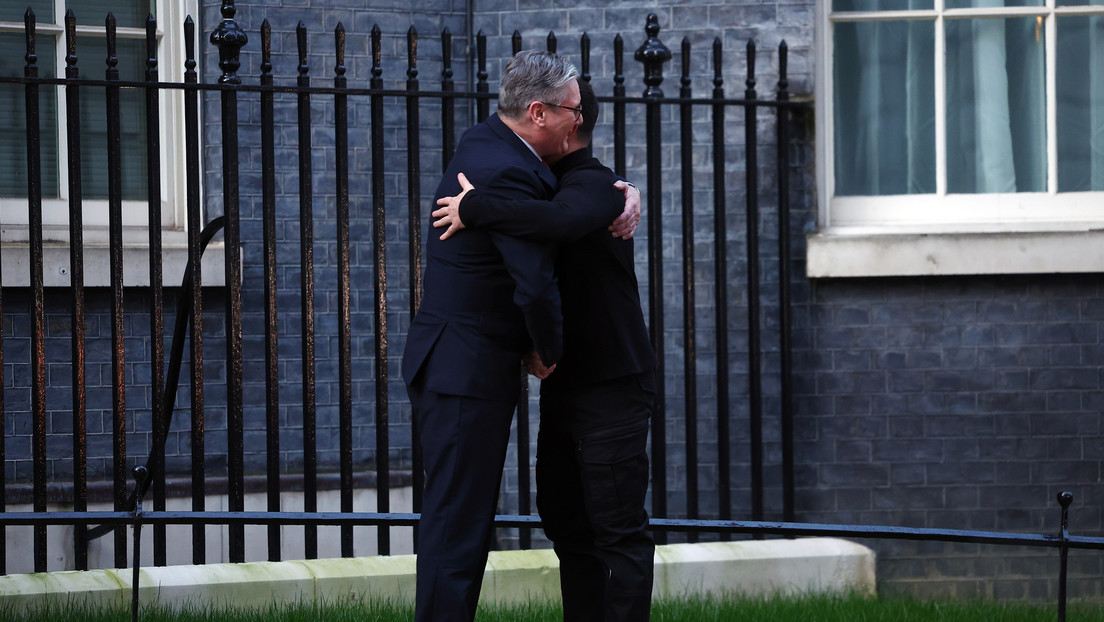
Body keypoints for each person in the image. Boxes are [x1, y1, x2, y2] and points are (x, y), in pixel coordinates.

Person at [401, 51, 637, 622]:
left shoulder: (488, 145)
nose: (579, 122)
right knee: (458, 527)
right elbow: (533, 285)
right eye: (573, 112)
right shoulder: (511, 169)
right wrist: (547, 352)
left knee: (458, 521)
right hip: (468, 369)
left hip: (456, 365)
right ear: (538, 112)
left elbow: (567, 202)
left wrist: (621, 190)